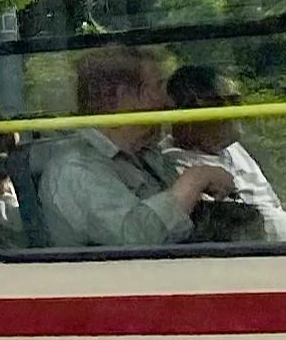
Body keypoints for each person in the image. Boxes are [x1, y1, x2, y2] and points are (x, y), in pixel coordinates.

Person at [29, 43, 234, 250]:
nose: (168, 101)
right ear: (122, 98)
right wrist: (195, 180)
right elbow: (136, 239)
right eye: (158, 88)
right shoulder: (74, 169)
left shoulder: (146, 155)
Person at [160, 64, 286, 243]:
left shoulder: (233, 149)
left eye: (237, 101)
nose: (237, 110)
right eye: (230, 101)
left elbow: (275, 207)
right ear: (196, 111)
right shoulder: (172, 165)